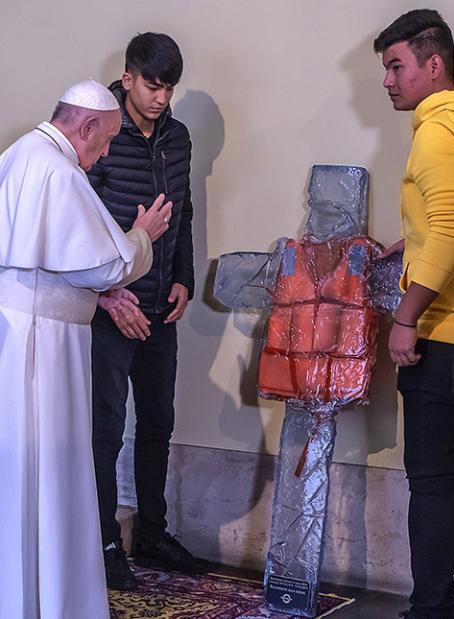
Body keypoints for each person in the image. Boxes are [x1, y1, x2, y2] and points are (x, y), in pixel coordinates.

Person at [0, 79, 172, 619]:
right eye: (104, 142)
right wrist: (142, 234)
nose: (101, 155)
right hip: (44, 349)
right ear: (87, 125)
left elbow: (54, 262)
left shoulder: (17, 155)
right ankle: (48, 600)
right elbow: (110, 261)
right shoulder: (57, 169)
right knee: (48, 471)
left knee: (21, 475)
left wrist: (101, 289)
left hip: (18, 337)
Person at [88, 32, 205, 591]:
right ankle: (105, 543)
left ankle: (153, 534)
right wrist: (108, 296)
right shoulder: (101, 134)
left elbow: (183, 209)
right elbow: (77, 221)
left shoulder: (178, 137)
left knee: (158, 422)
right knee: (105, 431)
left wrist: (182, 275)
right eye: (153, 85)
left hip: (161, 307)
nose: (161, 97)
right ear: (129, 77)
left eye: (170, 88)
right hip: (109, 311)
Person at [374, 9, 454, 619]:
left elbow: (451, 232)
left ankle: (430, 610)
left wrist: (406, 317)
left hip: (445, 336)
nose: (388, 80)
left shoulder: (437, 132)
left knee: (434, 483)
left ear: (432, 64)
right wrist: (409, 243)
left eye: (396, 66)